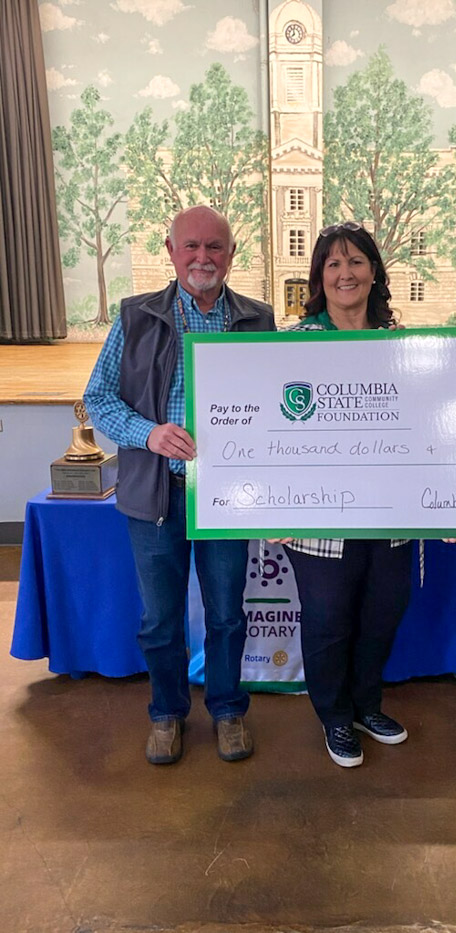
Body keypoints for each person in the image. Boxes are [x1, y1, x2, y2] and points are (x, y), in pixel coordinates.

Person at [84, 206, 275, 765]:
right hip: (155, 491)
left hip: (226, 498)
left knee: (227, 613)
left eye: (215, 247)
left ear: (232, 255)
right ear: (170, 251)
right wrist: (149, 433)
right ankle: (167, 714)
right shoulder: (136, 318)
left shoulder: (257, 320)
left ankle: (228, 710)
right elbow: (98, 398)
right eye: (191, 246)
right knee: (160, 619)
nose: (203, 258)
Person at [278, 222, 413, 768]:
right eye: (333, 264)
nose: (345, 273)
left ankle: (366, 706)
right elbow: (271, 433)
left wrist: (453, 500)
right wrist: (271, 508)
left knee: (382, 616)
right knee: (329, 622)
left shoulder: (406, 346)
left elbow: (430, 430)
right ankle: (335, 718)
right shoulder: (292, 346)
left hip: (393, 515)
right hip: (317, 522)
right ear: (319, 278)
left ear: (374, 272)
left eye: (356, 261)